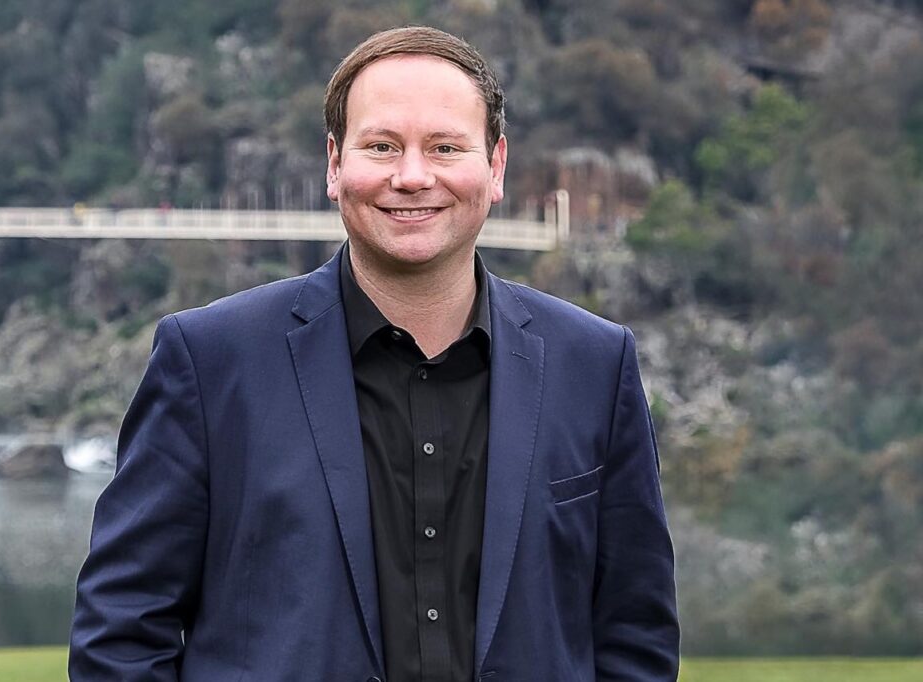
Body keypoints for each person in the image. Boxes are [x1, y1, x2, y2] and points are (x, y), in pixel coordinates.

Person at [70, 26, 679, 682]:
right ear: (335, 165)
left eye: (445, 147)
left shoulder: (595, 365)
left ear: (496, 166)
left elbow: (635, 637)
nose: (412, 176)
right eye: (382, 146)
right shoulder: (209, 361)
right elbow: (122, 633)